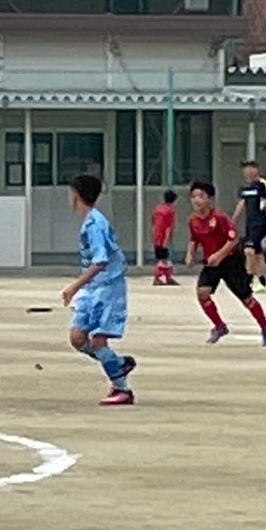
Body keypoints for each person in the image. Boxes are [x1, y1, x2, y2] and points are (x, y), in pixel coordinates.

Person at [62, 174, 137, 406]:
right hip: (93, 288)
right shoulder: (89, 221)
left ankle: (122, 389)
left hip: (108, 288)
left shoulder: (95, 224)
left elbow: (100, 261)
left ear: (76, 196)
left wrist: (74, 286)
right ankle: (118, 363)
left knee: (98, 341)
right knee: (78, 338)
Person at [186, 181, 266, 348]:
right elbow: (194, 238)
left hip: (231, 261)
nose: (196, 200)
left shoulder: (220, 218)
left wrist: (219, 255)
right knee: (202, 293)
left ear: (210, 199)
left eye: (201, 196)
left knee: (246, 298)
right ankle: (219, 326)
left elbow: (233, 239)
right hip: (211, 263)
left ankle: (265, 326)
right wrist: (190, 254)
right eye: (193, 196)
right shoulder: (193, 220)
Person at [231, 160, 266, 290]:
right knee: (257, 253)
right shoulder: (245, 188)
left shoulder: (263, 185)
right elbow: (241, 204)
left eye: (250, 168)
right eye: (245, 169)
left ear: (256, 170)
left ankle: (249, 279)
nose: (247, 172)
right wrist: (233, 220)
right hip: (250, 224)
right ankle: (262, 280)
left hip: (260, 223)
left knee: (248, 250)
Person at [151, 189, 180, 286]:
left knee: (163, 259)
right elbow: (169, 227)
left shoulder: (157, 208)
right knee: (163, 259)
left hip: (156, 236)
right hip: (163, 237)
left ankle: (168, 277)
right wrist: (167, 240)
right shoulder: (170, 211)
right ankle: (158, 277)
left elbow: (153, 222)